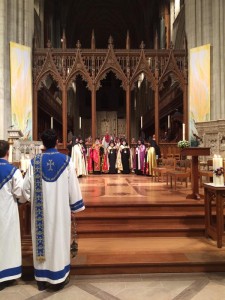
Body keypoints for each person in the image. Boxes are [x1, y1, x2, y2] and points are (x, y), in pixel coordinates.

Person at [22, 129, 85, 291]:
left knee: (42, 242)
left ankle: (42, 280)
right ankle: (60, 277)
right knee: (59, 240)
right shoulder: (66, 161)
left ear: (43, 143)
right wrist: (74, 205)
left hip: (40, 213)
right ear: (57, 141)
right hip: (61, 211)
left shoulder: (34, 162)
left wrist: (33, 199)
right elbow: (73, 188)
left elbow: (25, 190)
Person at [0, 140, 24, 290]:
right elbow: (20, 194)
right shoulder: (13, 171)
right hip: (7, 212)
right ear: (8, 153)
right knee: (7, 241)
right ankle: (7, 274)